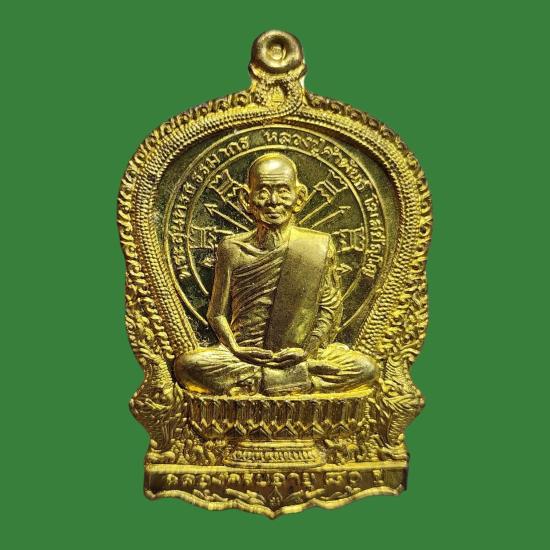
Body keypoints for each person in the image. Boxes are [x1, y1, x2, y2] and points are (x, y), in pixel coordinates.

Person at [174, 153, 378, 395]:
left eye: (283, 191)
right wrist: (236, 349)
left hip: (300, 356)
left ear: (299, 198)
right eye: (262, 191)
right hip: (245, 356)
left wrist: (307, 351)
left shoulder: (318, 246)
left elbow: (330, 309)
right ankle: (296, 379)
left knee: (366, 368)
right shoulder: (232, 249)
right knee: (187, 366)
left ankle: (265, 380)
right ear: (246, 199)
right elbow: (216, 313)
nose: (273, 201)